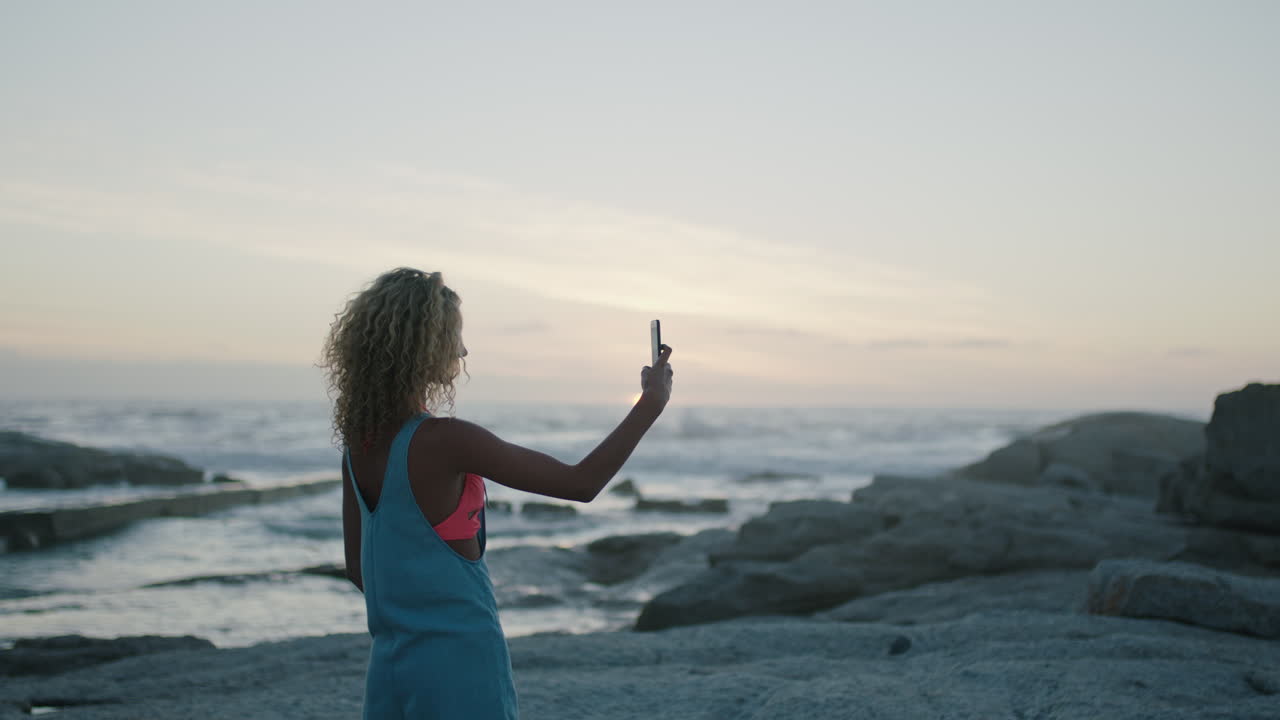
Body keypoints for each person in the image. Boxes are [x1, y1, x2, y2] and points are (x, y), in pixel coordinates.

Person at [317, 267, 674, 719]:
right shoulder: (448, 440)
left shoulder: (358, 446)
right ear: (423, 347)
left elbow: (357, 566)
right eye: (454, 337)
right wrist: (651, 405)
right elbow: (581, 483)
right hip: (461, 665)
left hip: (390, 667)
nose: (463, 350)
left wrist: (414, 613)